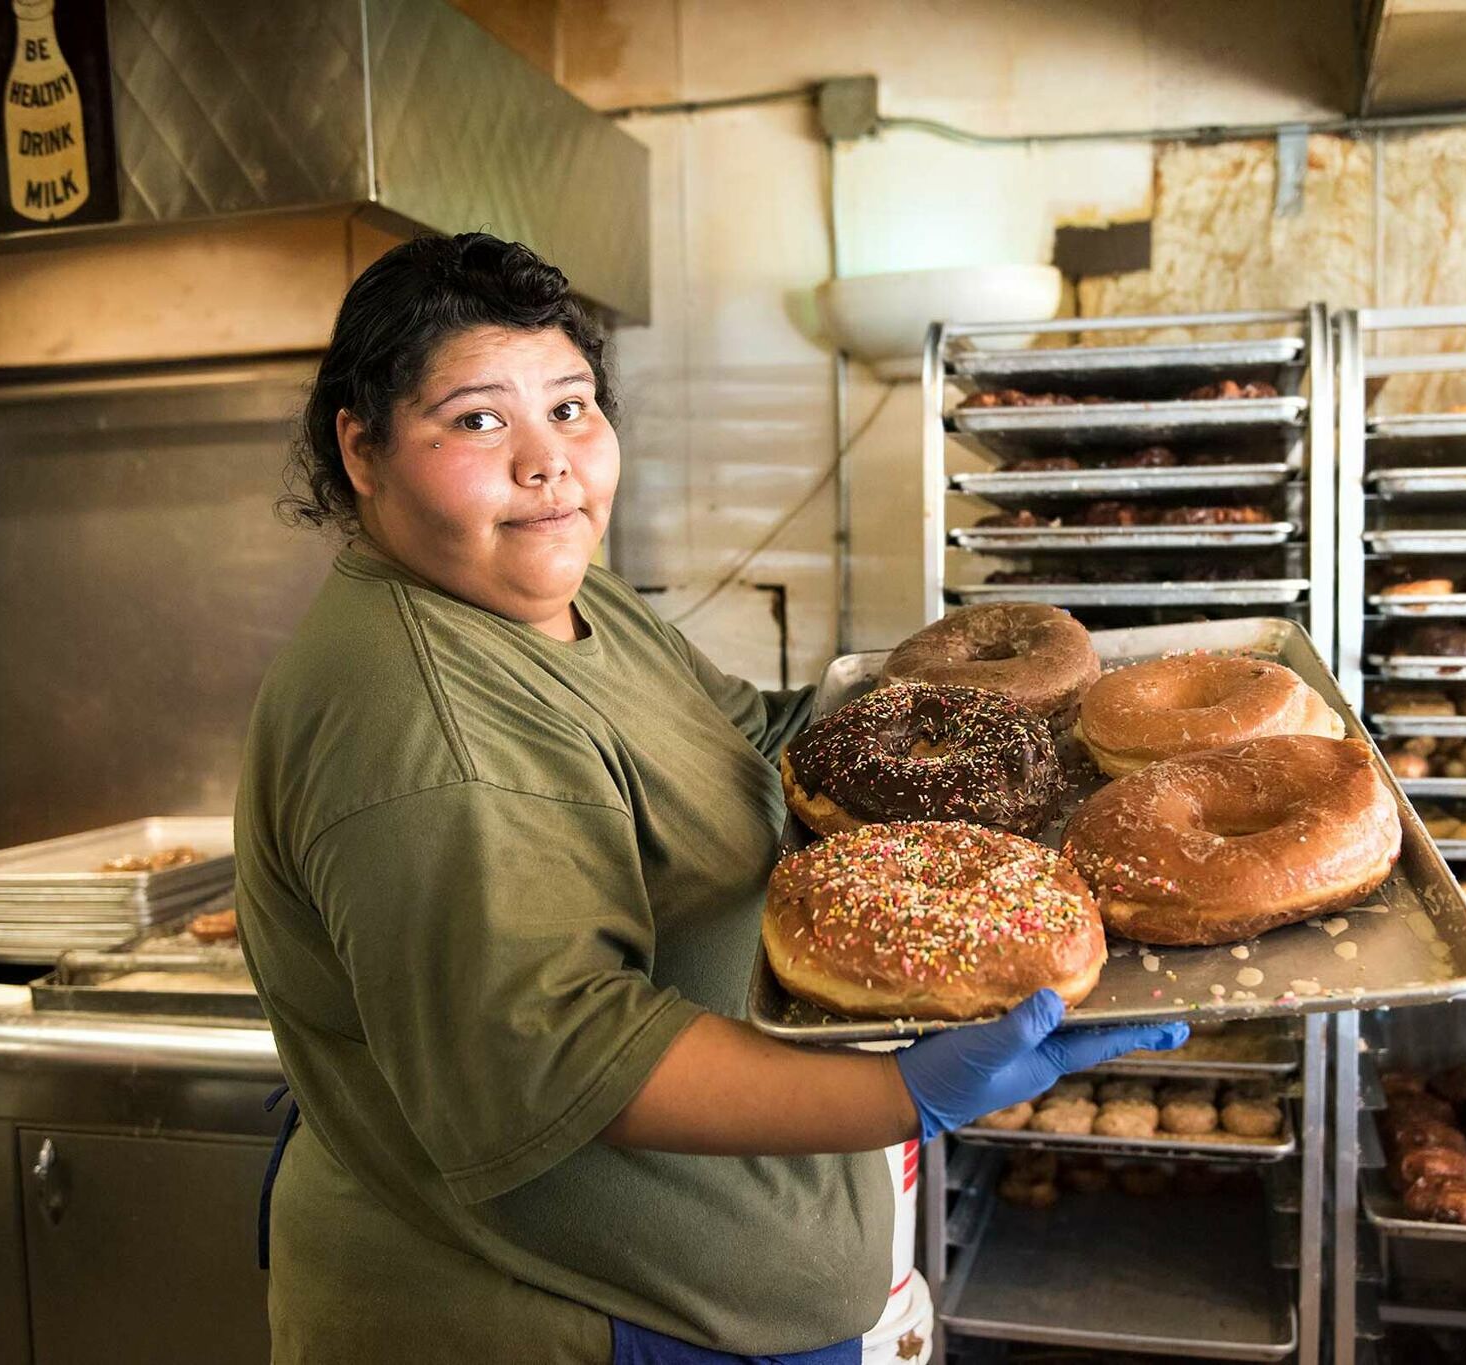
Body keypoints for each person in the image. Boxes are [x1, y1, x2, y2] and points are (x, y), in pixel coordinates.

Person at [235, 231, 1183, 1364]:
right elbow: (554, 1055)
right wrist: (898, 1098)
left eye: (573, 408)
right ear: (363, 449)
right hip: (556, 1322)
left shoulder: (570, 597)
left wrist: (965, 704)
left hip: (717, 1301)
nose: (550, 463)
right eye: (479, 420)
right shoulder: (420, 711)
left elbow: (760, 743)